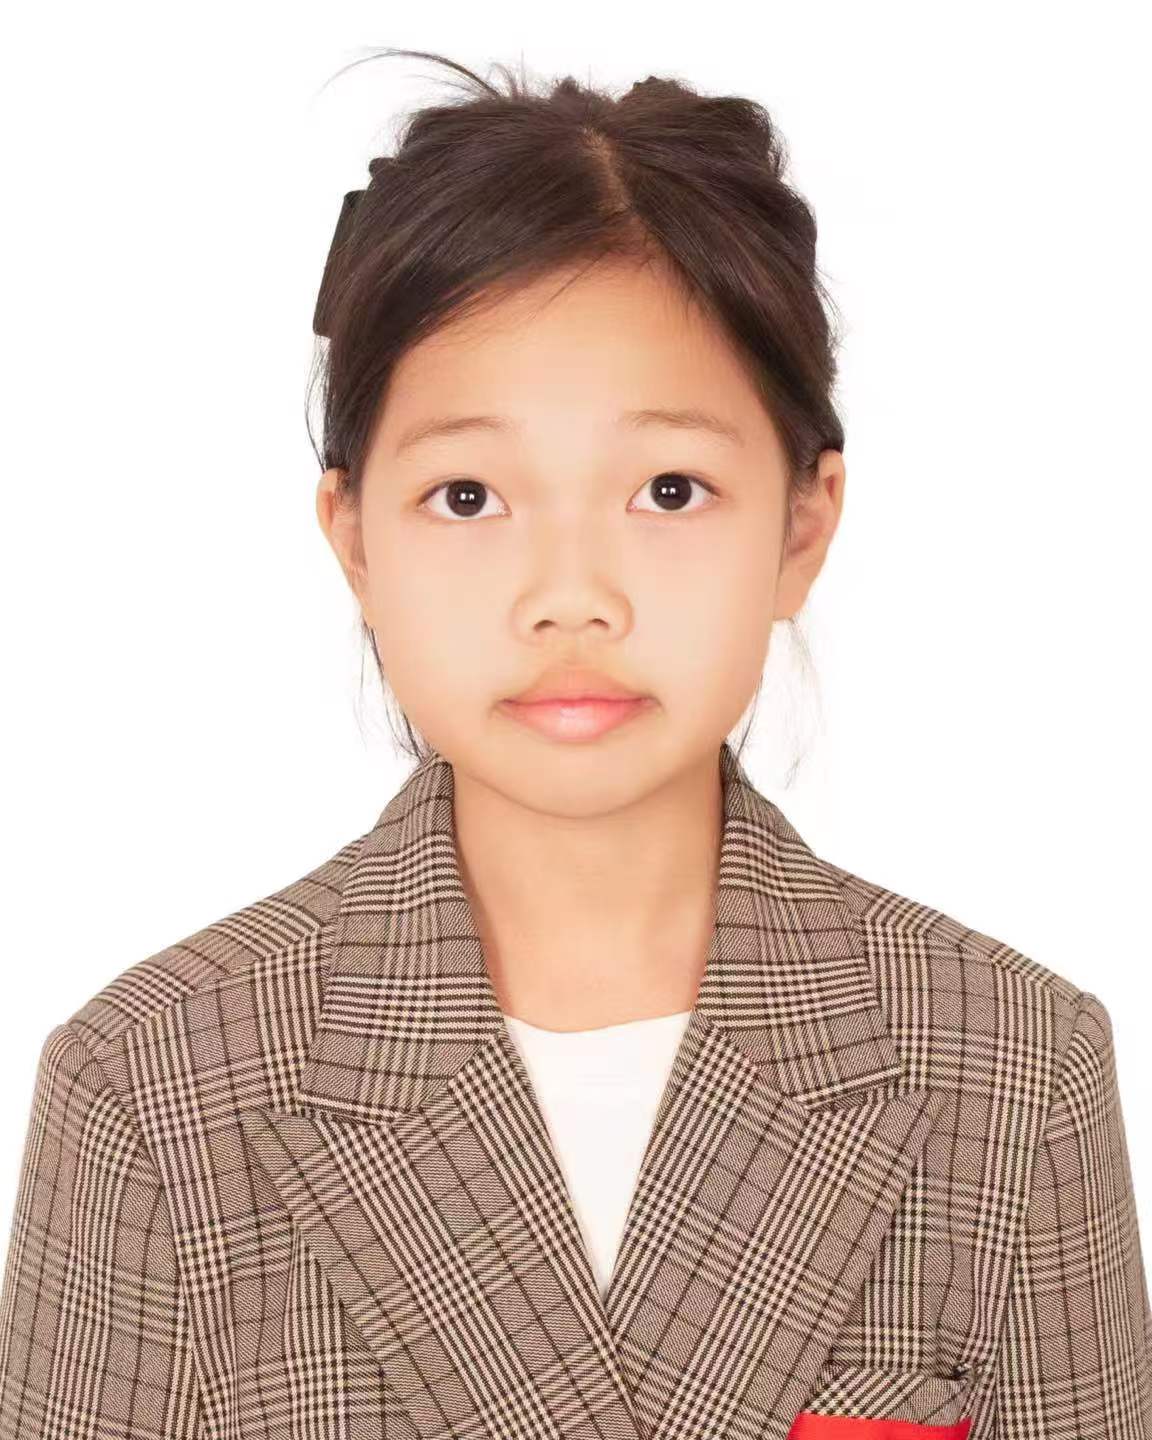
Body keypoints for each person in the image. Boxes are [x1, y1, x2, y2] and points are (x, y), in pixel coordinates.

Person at [0, 49, 1148, 1440]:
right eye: (467, 496)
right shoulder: (153, 1086)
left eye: (669, 489)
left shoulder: (1011, 1068)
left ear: (804, 523)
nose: (571, 596)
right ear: (353, 539)